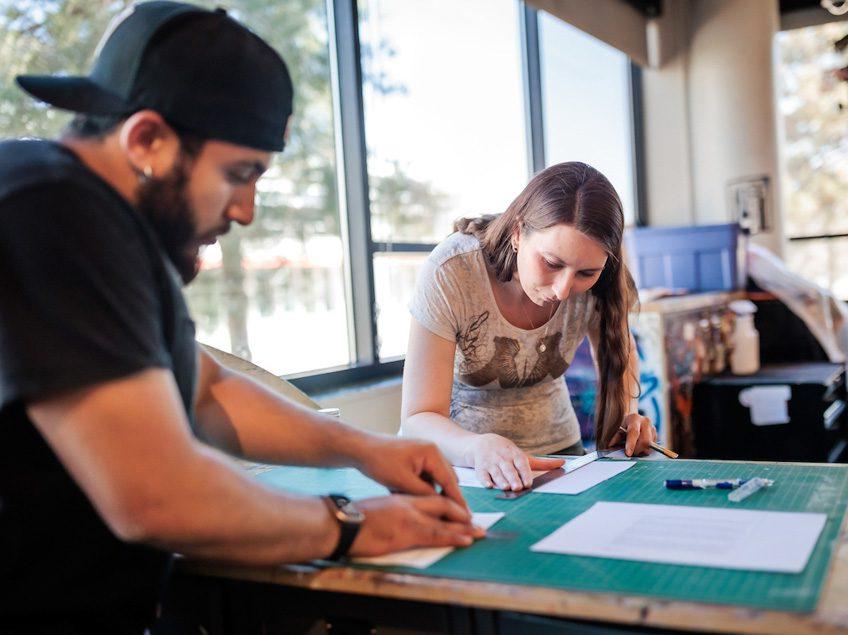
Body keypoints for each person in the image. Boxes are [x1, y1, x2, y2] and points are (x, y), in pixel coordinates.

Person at [0, 3, 479, 633]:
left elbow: (205, 390)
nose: (247, 211)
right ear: (147, 140)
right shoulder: (52, 211)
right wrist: (349, 525)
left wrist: (367, 450)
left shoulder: (109, 229)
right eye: (240, 174)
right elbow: (155, 494)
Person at [401, 162, 657, 492]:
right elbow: (417, 418)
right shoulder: (453, 270)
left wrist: (628, 418)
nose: (564, 290)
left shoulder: (604, 282)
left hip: (560, 458)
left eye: (585, 273)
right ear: (518, 233)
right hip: (460, 463)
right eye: (551, 263)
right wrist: (475, 447)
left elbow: (619, 354)